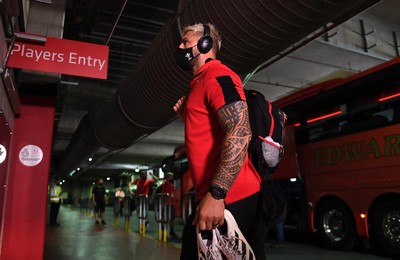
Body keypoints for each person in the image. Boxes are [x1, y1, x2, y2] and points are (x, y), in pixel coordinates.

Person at [173, 22, 261, 259]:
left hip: (228, 195)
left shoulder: (218, 75)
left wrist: (217, 194)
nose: (179, 47)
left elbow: (240, 129)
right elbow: (212, 131)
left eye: (185, 41)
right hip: (216, 194)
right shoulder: (200, 83)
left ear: (205, 43)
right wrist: (188, 117)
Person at [157, 172, 178, 238]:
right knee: (164, 218)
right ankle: (163, 232)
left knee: (172, 218)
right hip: (166, 204)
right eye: (171, 176)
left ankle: (171, 231)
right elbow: (160, 193)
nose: (172, 178)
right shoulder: (164, 184)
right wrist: (162, 204)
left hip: (171, 204)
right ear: (168, 177)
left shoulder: (171, 185)